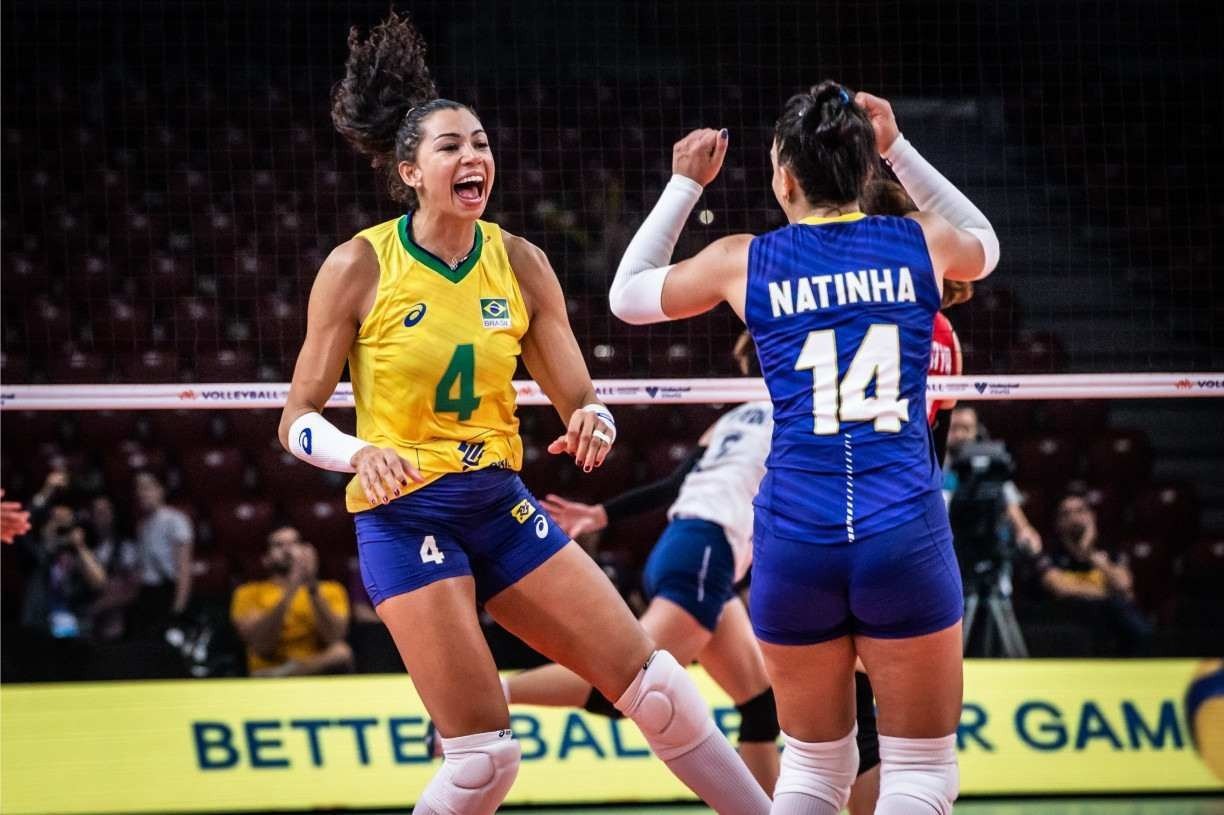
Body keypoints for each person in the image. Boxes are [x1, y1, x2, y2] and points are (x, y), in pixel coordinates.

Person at [278, 13, 769, 814]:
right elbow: (296, 414)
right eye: (450, 147)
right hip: (405, 516)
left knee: (658, 685)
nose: (474, 157)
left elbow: (580, 394)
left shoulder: (522, 263)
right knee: (484, 762)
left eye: (480, 143)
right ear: (409, 170)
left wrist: (594, 422)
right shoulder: (360, 264)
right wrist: (356, 452)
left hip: (500, 504)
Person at [608, 81, 999, 814]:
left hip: (795, 539)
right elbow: (988, 241)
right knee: (919, 773)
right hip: (901, 530)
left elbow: (626, 295)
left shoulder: (743, 259)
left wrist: (684, 184)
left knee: (814, 773)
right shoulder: (922, 239)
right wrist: (902, 150)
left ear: (784, 178)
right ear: (864, 170)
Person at [508, 334, 884, 812]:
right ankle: (493, 698)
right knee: (632, 683)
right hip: (706, 549)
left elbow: (675, 482)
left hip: (690, 549)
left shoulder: (736, 417)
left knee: (758, 706)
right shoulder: (805, 416)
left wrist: (602, 513)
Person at [1034, 493, 1152, 655]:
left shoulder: (1109, 550)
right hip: (1068, 622)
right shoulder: (1050, 552)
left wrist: (1090, 554)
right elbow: (1060, 588)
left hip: (1108, 620)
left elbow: (1124, 584)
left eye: (1080, 511)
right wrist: (1109, 593)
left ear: (1091, 517)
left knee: (1128, 617)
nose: (1074, 518)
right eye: (1066, 514)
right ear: (1058, 523)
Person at [230, 526, 354, 676]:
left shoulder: (331, 589)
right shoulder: (247, 592)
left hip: (314, 668)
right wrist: (291, 588)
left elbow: (334, 637)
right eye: (279, 545)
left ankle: (287, 674)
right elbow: (262, 645)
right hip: (268, 666)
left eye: (294, 543)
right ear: (266, 558)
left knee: (341, 652)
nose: (288, 550)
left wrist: (312, 587)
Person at [944, 405, 1042, 554]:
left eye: (966, 428)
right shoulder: (933, 465)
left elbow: (1009, 501)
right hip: (950, 542)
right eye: (954, 428)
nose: (959, 434)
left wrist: (1023, 529)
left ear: (976, 430)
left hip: (988, 542)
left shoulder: (993, 464)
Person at [130, 471, 194, 633]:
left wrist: (178, 608)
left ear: (160, 490)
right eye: (138, 489)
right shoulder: (142, 526)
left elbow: (184, 568)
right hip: (147, 594)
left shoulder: (175, 520)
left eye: (147, 488)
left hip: (167, 592)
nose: (142, 493)